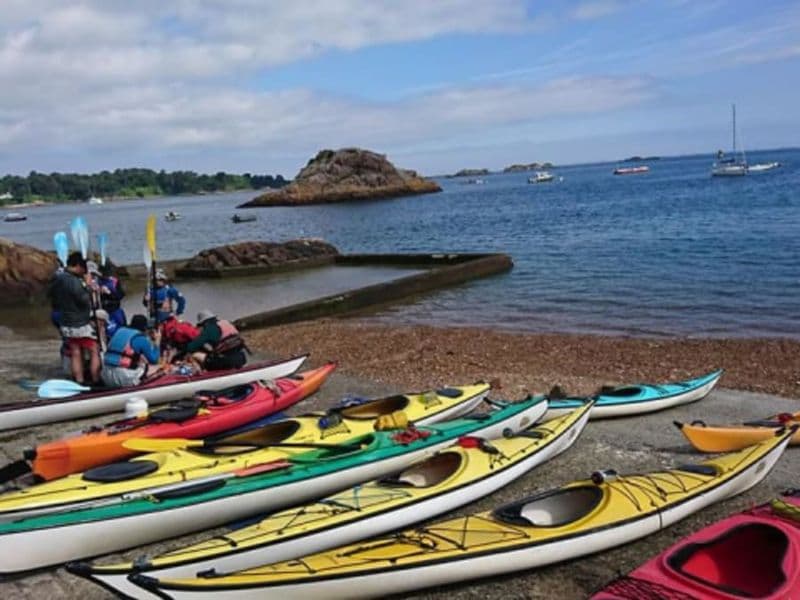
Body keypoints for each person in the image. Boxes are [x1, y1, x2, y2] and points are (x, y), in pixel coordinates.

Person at [46, 251, 100, 384]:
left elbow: (50, 295)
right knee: (94, 349)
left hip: (65, 321)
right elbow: (84, 300)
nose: (84, 272)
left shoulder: (58, 278)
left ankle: (79, 380)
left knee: (75, 351)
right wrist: (88, 286)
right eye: (83, 269)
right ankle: (95, 379)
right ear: (77, 266)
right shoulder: (74, 281)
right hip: (79, 323)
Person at [101, 314, 161, 388]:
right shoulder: (141, 338)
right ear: (145, 328)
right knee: (155, 368)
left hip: (106, 375)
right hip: (122, 378)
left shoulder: (119, 331)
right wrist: (157, 343)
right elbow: (154, 360)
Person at [96, 262, 127, 331]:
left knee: (121, 327)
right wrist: (98, 292)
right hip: (102, 311)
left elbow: (121, 295)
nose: (104, 275)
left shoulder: (114, 281)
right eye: (102, 273)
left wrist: (109, 293)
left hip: (115, 309)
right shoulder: (96, 282)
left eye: (106, 273)